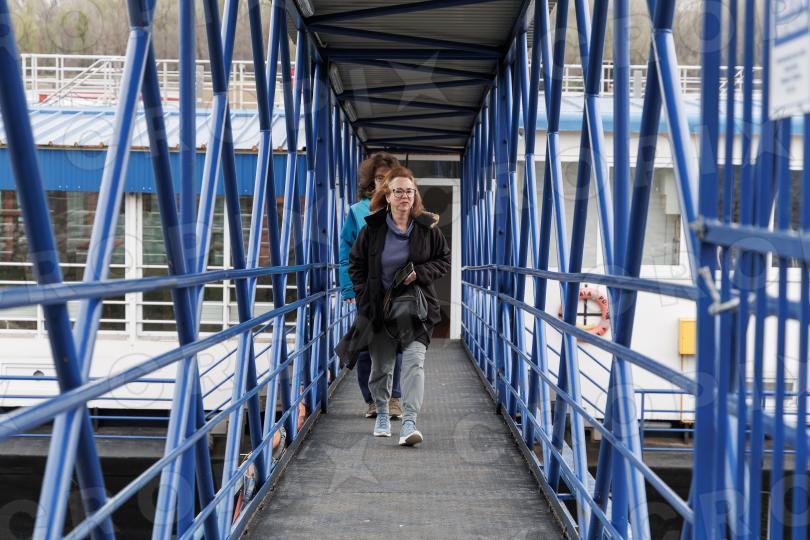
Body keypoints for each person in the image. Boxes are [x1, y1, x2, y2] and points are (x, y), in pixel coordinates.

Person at [349, 166, 451, 446]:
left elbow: (444, 259)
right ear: (387, 196)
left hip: (417, 311)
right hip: (380, 311)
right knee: (382, 368)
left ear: (414, 195)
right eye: (398, 191)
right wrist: (363, 296)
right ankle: (382, 412)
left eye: (409, 191)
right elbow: (356, 264)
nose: (404, 196)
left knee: (414, 364)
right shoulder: (372, 229)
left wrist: (420, 272)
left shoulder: (426, 228)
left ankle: (409, 423)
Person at [338, 152, 403, 420]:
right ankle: (373, 400)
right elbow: (346, 251)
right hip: (366, 288)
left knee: (396, 343)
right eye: (378, 178)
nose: (383, 182)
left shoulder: (403, 207)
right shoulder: (357, 211)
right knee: (366, 344)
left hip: (396, 288)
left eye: (388, 178)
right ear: (370, 181)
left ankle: (394, 398)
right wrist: (348, 288)